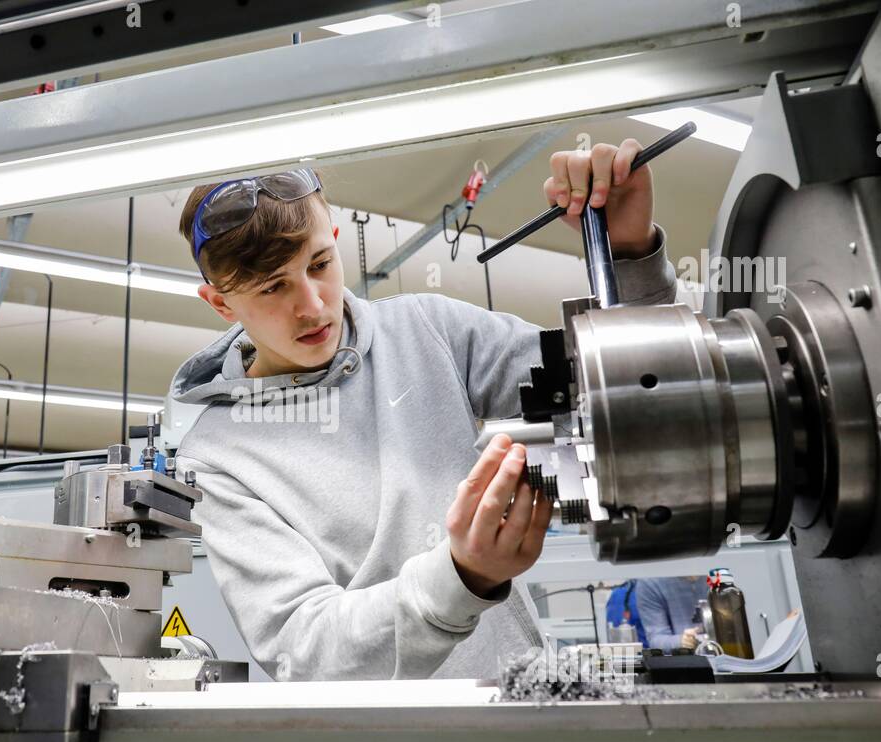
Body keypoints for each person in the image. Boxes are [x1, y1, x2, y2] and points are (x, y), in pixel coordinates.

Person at [169, 141, 677, 681]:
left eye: (320, 264)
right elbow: (305, 649)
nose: (313, 305)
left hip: (518, 703)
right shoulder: (218, 455)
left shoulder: (426, 330)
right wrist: (461, 577)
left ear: (336, 241)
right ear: (221, 304)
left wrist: (628, 257)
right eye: (273, 287)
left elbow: (626, 387)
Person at [635, 575, 710, 651]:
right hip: (684, 657)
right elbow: (656, 638)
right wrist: (681, 641)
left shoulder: (715, 573)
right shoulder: (650, 583)